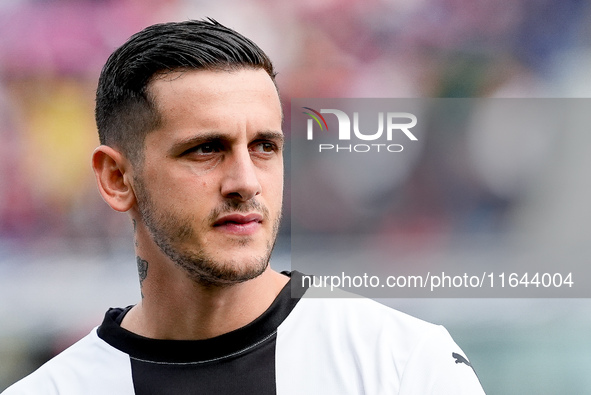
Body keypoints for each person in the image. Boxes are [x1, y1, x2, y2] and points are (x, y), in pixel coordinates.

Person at [2, 19, 485, 394]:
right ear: (116, 178)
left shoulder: (402, 366)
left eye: (264, 147)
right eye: (206, 149)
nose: (245, 182)